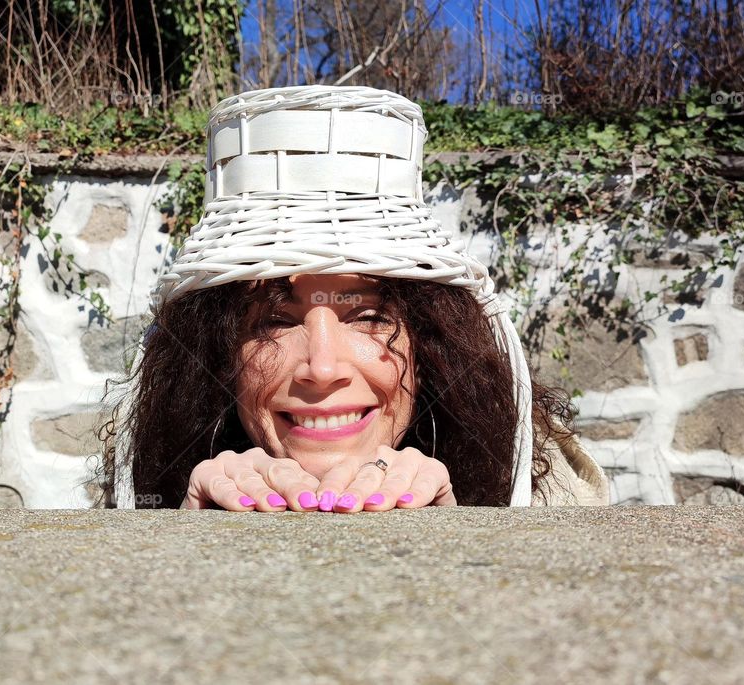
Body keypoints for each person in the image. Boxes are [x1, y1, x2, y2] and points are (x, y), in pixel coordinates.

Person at [100, 85, 609, 511]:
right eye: (274, 322)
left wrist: (454, 535)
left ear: (433, 342)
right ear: (216, 353)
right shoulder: (141, 472)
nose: (322, 370)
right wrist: (188, 537)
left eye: (367, 316)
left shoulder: (543, 479)